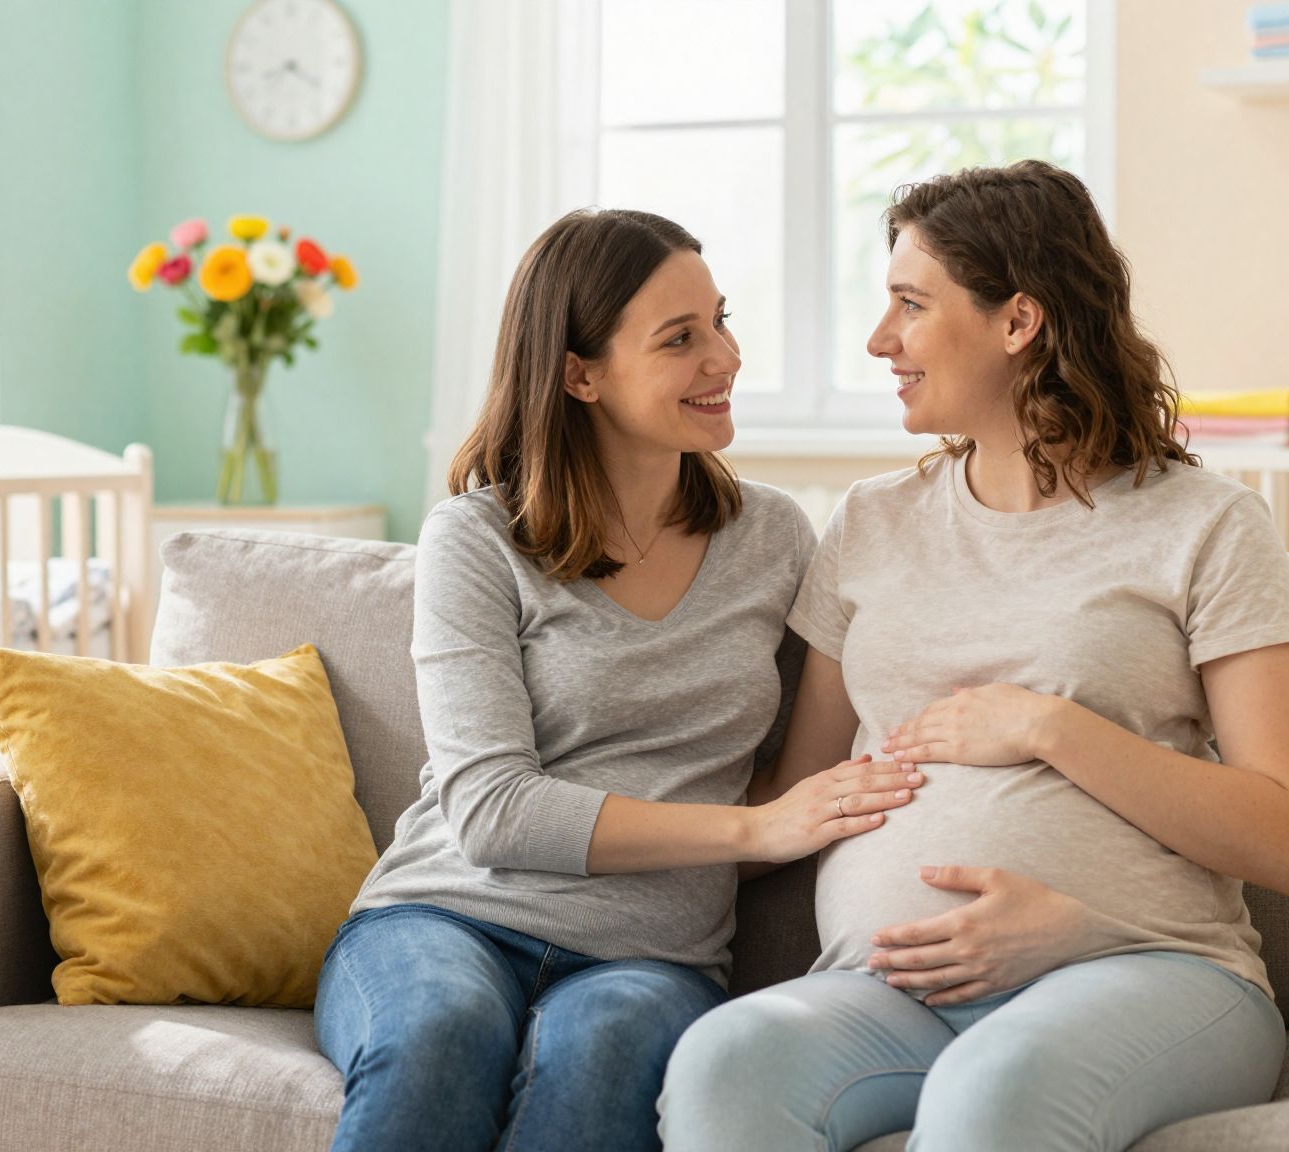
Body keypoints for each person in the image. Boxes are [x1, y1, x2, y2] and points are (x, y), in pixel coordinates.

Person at [660, 162, 1289, 1151]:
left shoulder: (1202, 525)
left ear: (1017, 321)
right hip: (885, 994)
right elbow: (795, 790)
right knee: (723, 1062)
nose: (878, 340)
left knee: (994, 1089)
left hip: (1150, 970)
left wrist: (1046, 727)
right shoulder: (871, 524)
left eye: (909, 305)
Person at [314, 208, 922, 1152]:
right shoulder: (477, 539)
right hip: (446, 916)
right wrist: (751, 826)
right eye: (681, 339)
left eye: (720, 321)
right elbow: (491, 810)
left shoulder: (773, 540)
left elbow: (794, 791)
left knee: (603, 1052)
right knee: (442, 1031)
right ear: (579, 374)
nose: (723, 358)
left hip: (654, 953)